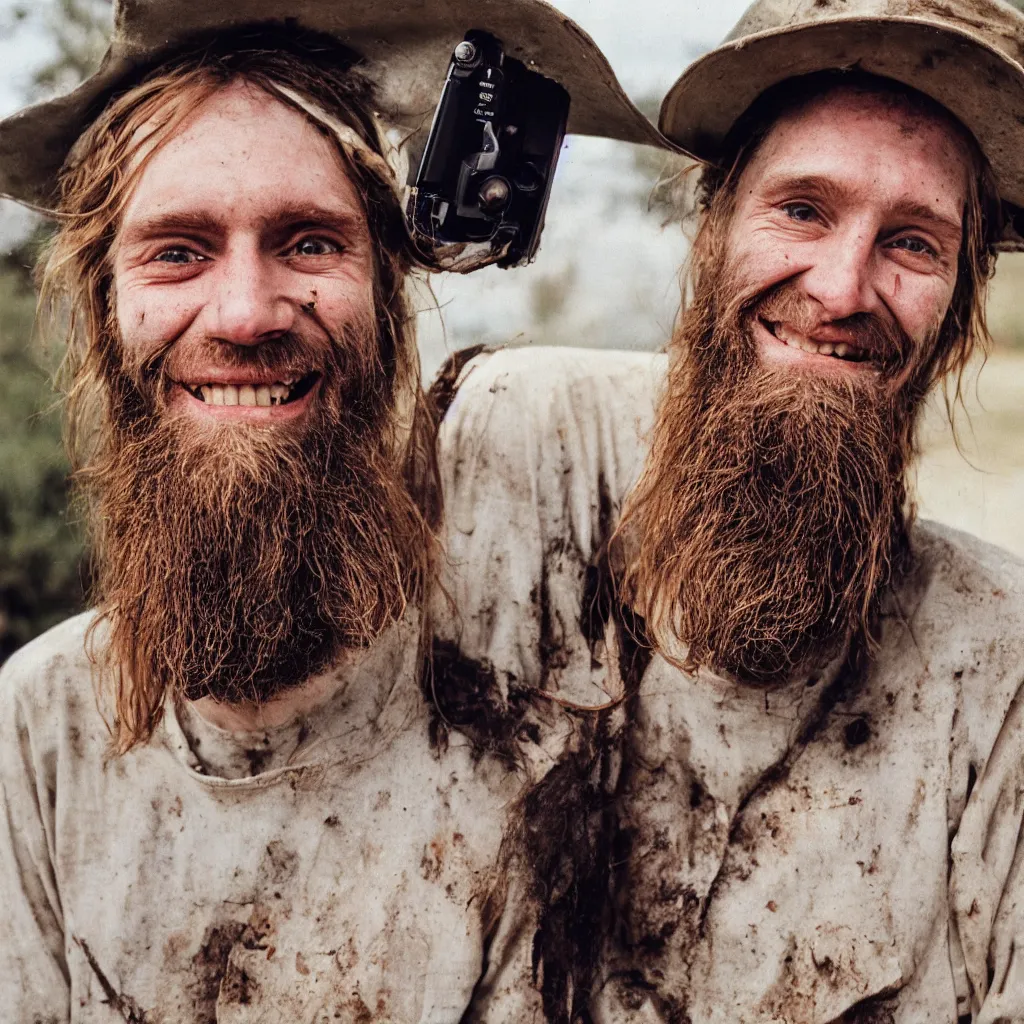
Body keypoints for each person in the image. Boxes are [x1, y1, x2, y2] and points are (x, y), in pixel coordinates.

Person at [0, 1, 664, 1019]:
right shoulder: (39, 735)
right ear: (103, 307)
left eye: (309, 243)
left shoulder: (527, 662)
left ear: (390, 296)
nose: (245, 314)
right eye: (177, 251)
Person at [430, 0, 1024, 1019]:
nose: (841, 288)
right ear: (708, 225)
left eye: (914, 244)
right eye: (800, 209)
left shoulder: (996, 663)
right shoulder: (503, 442)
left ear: (960, 310)